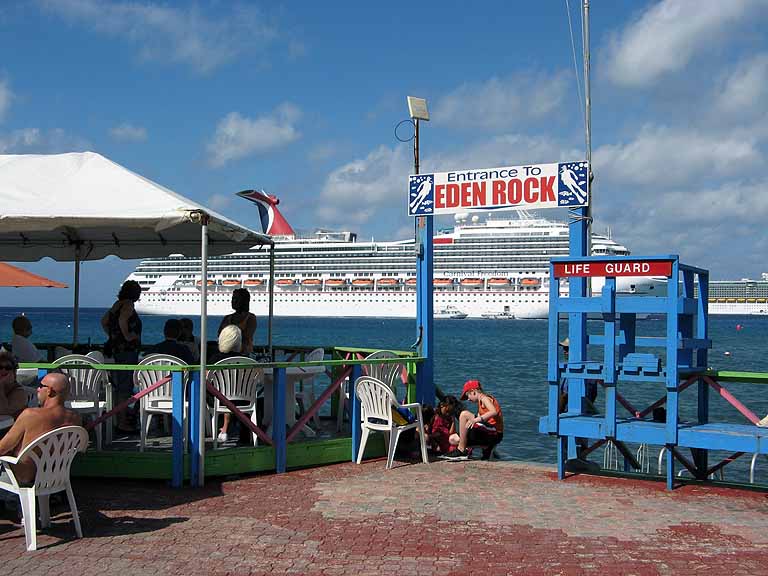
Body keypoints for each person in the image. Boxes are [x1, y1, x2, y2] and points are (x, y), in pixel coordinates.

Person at [0, 372, 81, 485]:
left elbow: (2, 448)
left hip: (21, 476)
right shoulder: (75, 418)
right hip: (54, 477)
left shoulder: (30, 415)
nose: (37, 389)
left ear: (49, 391)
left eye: (40, 385)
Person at [101, 280, 143, 432]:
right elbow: (122, 320)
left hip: (115, 349)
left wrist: (113, 336)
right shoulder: (128, 305)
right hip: (127, 350)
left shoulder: (116, 305)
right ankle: (122, 422)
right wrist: (127, 336)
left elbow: (104, 321)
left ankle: (118, 419)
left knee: (119, 385)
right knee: (125, 386)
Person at [445, 379, 503, 461]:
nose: (468, 399)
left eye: (467, 395)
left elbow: (493, 411)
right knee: (453, 439)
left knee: (464, 414)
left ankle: (461, 450)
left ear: (473, 391)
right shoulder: (480, 403)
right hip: (489, 433)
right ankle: (486, 448)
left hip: (495, 432)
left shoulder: (484, 398)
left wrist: (476, 420)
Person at [211, 324, 244, 443]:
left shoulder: (215, 359)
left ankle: (216, 429)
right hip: (242, 399)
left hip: (217, 399)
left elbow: (204, 378)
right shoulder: (246, 360)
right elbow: (258, 378)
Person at [218, 288, 257, 356]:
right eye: (233, 299)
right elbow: (219, 334)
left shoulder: (250, 317)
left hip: (244, 354)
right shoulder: (227, 317)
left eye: (236, 299)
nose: (233, 301)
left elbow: (247, 335)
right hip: (226, 353)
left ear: (244, 301)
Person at [0, 351, 28, 418]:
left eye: (8, 367)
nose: (3, 370)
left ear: (14, 372)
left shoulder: (19, 392)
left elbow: (3, 410)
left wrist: (0, 385)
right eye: (0, 367)